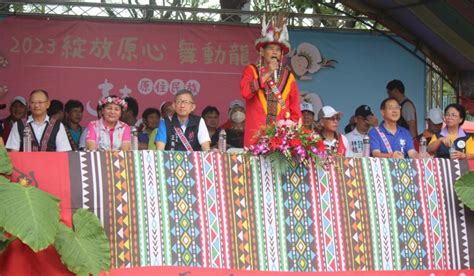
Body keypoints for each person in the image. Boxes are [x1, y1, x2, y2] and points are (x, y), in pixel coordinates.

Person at [240, 14, 301, 147]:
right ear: (262, 51)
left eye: (278, 50)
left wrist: (293, 133)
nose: (275, 52)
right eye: (271, 48)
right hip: (255, 138)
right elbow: (245, 93)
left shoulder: (288, 76)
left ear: (282, 54)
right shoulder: (251, 70)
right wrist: (266, 73)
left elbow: (295, 109)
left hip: (281, 140)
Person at [6, 89, 71, 152]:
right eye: (33, 102)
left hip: (50, 163)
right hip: (26, 163)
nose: (37, 105)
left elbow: (63, 154)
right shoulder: (18, 125)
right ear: (29, 105)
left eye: (40, 102)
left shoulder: (58, 126)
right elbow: (13, 153)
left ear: (48, 104)